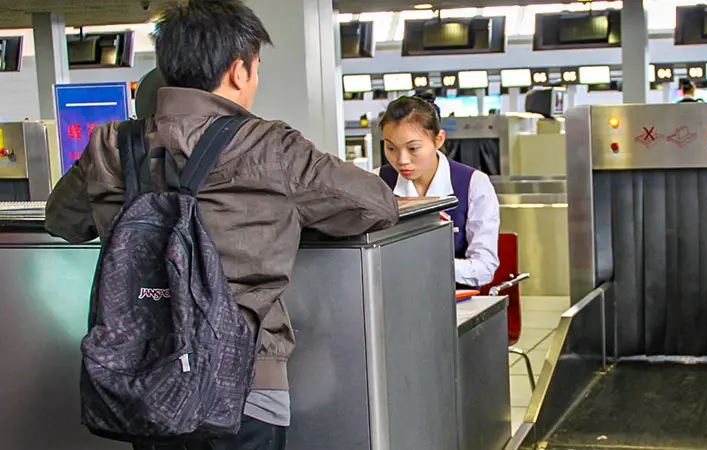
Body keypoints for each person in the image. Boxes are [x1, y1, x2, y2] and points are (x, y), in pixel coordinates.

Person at [44, 1, 399, 449]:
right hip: (247, 383)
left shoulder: (112, 144)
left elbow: (62, 221)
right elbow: (377, 205)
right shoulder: (270, 146)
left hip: (142, 381)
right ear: (238, 71)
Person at [375, 96, 500, 288]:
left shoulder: (473, 184)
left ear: (438, 139)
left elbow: (484, 268)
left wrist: (430, 264)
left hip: (455, 302)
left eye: (413, 148)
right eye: (391, 148)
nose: (402, 160)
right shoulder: (376, 183)